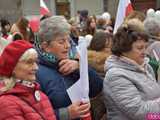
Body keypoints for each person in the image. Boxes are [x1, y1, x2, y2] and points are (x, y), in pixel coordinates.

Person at [35, 16, 103, 120]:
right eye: (61, 42)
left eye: (68, 40)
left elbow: (97, 88)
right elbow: (34, 114)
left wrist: (80, 67)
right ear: (46, 47)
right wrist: (65, 114)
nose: (67, 46)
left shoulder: (73, 62)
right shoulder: (35, 72)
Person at [103, 22, 160, 120]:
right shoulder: (115, 76)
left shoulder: (144, 66)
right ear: (124, 49)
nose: (145, 52)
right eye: (140, 48)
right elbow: (139, 113)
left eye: (145, 47)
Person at [0, 40, 56, 120]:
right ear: (13, 67)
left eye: (36, 62)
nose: (36, 68)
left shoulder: (41, 95)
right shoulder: (6, 103)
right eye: (29, 62)